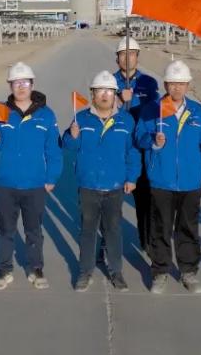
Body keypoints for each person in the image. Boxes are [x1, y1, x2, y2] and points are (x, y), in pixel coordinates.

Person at [135, 60, 201, 294]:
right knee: (160, 228)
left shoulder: (198, 112)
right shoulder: (152, 110)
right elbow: (139, 138)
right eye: (172, 83)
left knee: (188, 228)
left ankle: (188, 272)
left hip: (191, 181)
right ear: (165, 84)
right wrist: (153, 140)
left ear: (188, 85)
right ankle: (160, 271)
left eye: (181, 83)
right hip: (162, 180)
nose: (176, 88)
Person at [0, 62, 62, 290]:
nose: (20, 87)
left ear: (32, 84)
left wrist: (51, 178)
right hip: (6, 183)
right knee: (5, 230)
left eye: (25, 82)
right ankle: (3, 270)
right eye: (16, 83)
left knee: (34, 231)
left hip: (35, 184)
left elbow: (54, 150)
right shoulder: (0, 112)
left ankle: (36, 268)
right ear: (10, 85)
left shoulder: (46, 115)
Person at [63, 70, 139, 292]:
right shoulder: (81, 118)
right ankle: (85, 272)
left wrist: (132, 177)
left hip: (115, 185)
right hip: (89, 185)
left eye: (109, 91)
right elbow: (68, 145)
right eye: (100, 91)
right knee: (88, 230)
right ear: (93, 94)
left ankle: (116, 271)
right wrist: (72, 136)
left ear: (115, 94)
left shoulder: (126, 120)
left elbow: (132, 152)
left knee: (113, 230)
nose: (105, 95)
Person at [113, 37, 159, 249]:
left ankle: (147, 242)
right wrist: (119, 100)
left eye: (131, 54)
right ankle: (107, 245)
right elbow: (99, 111)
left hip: (140, 148)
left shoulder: (148, 83)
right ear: (117, 58)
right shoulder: (109, 82)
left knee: (145, 200)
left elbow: (156, 113)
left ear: (137, 57)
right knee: (109, 203)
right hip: (116, 148)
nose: (127, 58)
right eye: (123, 54)